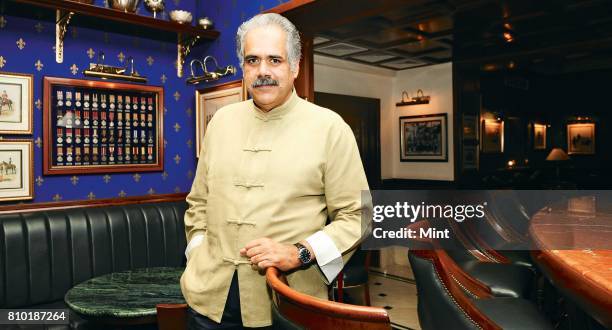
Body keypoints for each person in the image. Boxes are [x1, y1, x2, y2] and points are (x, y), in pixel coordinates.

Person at [180, 13, 371, 329]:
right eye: (252, 60)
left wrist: (300, 254)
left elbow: (358, 216)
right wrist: (197, 251)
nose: (263, 71)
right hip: (207, 300)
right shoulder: (221, 123)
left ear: (295, 67)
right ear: (243, 68)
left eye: (275, 60)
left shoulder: (330, 128)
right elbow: (198, 202)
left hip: (286, 304)